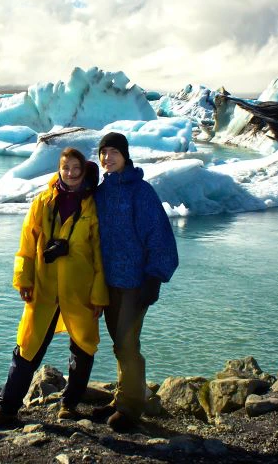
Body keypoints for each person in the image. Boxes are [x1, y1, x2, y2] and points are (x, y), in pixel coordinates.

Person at [0, 147, 109, 428]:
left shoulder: (92, 207)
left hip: (80, 290)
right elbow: (27, 244)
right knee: (28, 346)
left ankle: (68, 406)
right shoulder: (43, 202)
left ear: (83, 170)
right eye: (66, 168)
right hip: (44, 288)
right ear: (59, 169)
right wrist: (23, 278)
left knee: (83, 348)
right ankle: (7, 408)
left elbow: (100, 254)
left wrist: (100, 294)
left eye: (76, 168)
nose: (71, 173)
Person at [93, 132, 179, 432]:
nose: (108, 158)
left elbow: (159, 235)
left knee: (127, 343)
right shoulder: (101, 193)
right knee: (119, 343)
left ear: (125, 156)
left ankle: (131, 408)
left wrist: (154, 277)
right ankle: (122, 398)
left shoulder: (141, 192)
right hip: (109, 282)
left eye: (114, 152)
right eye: (104, 152)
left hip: (135, 282)